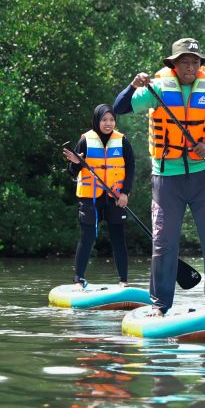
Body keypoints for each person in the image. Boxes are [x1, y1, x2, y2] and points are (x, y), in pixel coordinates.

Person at [113, 38, 205, 315]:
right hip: (167, 178)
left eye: (195, 62)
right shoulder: (155, 90)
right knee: (164, 241)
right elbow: (118, 108)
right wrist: (133, 85)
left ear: (200, 65)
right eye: (185, 62)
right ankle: (160, 305)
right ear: (174, 65)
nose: (190, 66)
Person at [62, 104, 134, 290]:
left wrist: (125, 192)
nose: (108, 123)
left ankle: (123, 281)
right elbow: (72, 172)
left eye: (111, 120)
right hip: (90, 198)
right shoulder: (85, 141)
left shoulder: (122, 141)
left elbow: (130, 168)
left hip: (115, 198)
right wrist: (77, 162)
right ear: (97, 121)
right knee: (86, 238)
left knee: (119, 239)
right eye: (104, 120)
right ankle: (78, 279)